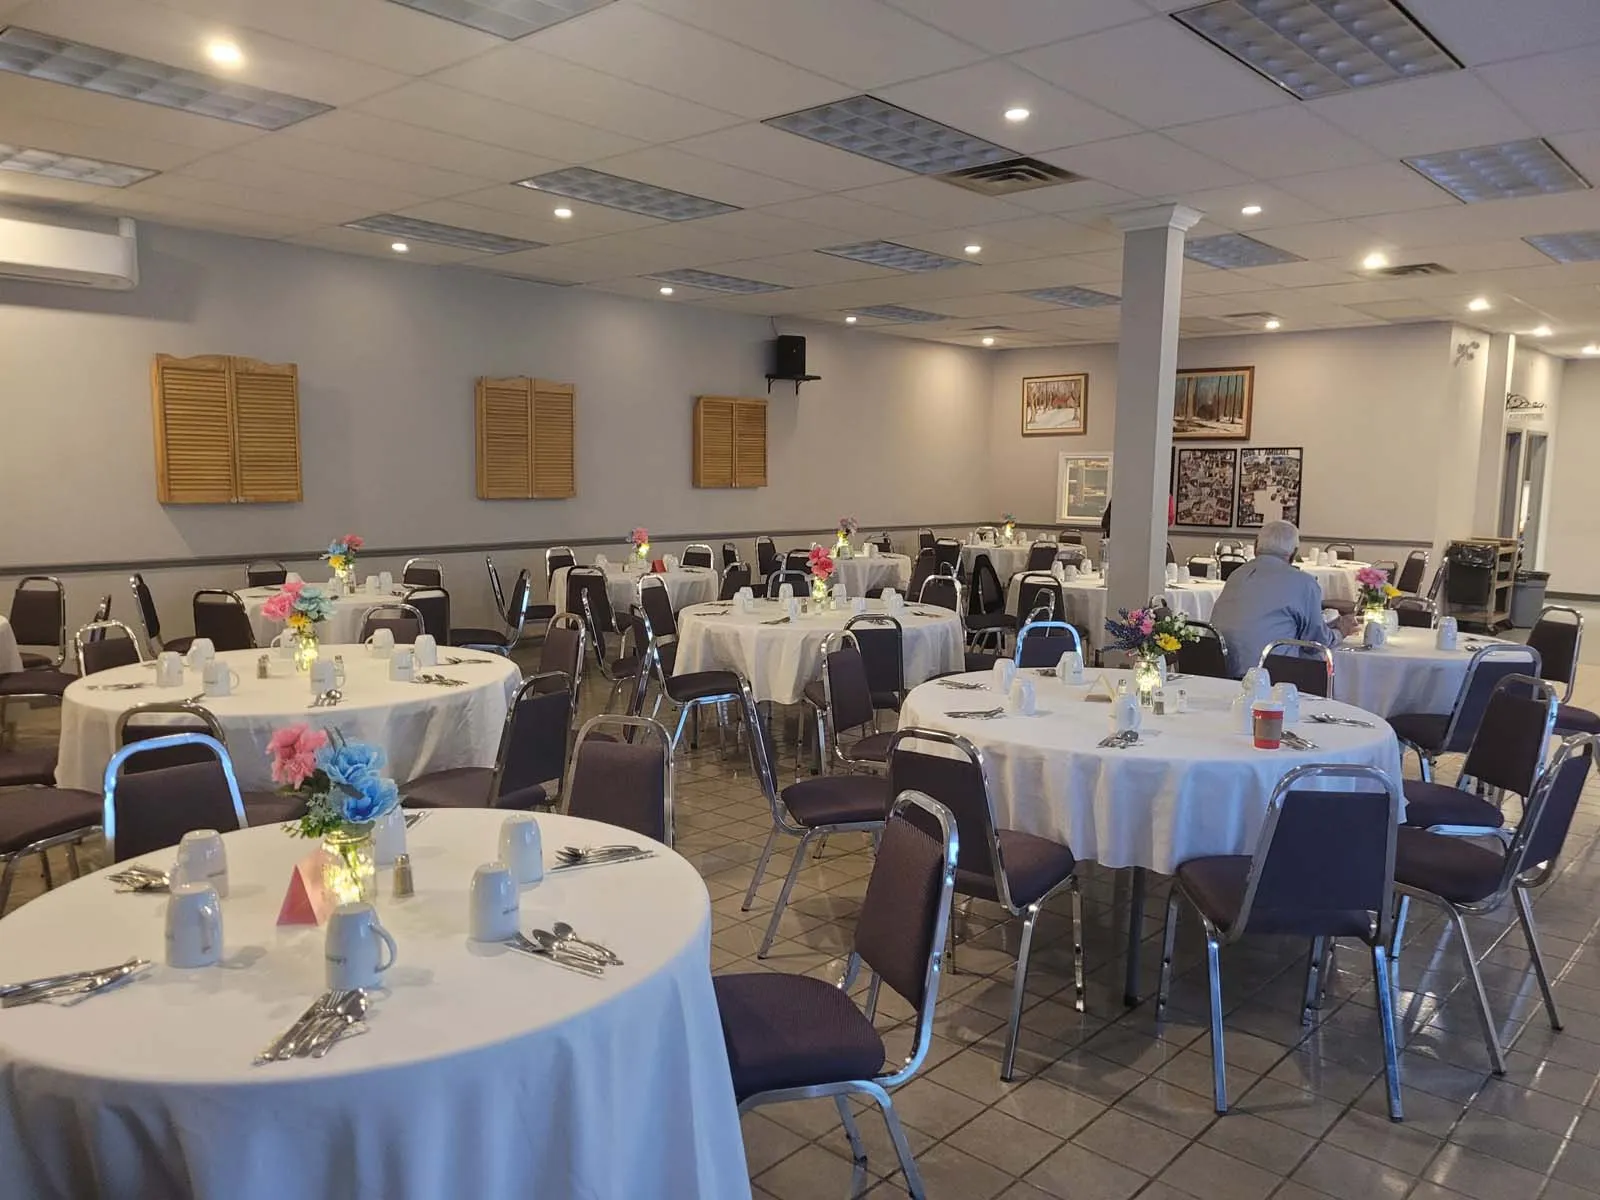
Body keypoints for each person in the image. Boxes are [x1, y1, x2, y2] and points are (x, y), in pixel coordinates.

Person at [1209, 520, 1359, 677]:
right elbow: (1316, 642)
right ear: (1293, 553)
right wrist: (1341, 631)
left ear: (1255, 547)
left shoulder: (1236, 575)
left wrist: (1327, 626)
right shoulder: (1304, 582)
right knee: (1321, 657)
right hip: (1269, 675)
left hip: (1219, 670)